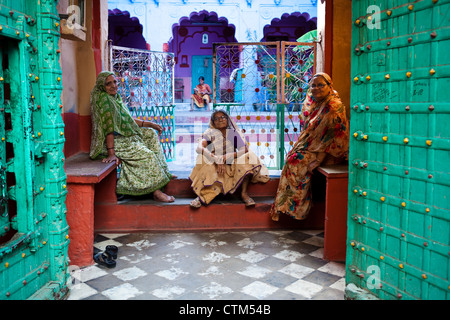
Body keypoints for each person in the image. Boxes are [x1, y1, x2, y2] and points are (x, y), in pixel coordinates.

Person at [270, 72, 349, 221]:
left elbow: (333, 138)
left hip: (330, 152)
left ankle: (296, 209)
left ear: (329, 86)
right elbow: (308, 128)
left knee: (295, 163)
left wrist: (318, 160)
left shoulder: (334, 106)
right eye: (313, 85)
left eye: (321, 85)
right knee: (292, 158)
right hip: (313, 147)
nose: (316, 88)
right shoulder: (313, 102)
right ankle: (285, 205)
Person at [89, 71, 176, 202]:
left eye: (115, 82)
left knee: (150, 134)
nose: (113, 86)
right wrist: (111, 153)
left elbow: (128, 119)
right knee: (147, 155)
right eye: (108, 84)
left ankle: (163, 171)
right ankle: (156, 192)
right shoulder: (105, 100)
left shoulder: (115, 98)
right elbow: (109, 129)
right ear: (102, 86)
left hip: (123, 137)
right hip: (111, 142)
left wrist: (150, 124)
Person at [189, 109, 269, 208]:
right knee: (205, 163)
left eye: (223, 117)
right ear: (213, 122)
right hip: (214, 162)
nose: (220, 120)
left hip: (231, 161)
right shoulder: (210, 133)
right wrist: (216, 159)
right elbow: (199, 148)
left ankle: (244, 194)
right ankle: (201, 197)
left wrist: (227, 156)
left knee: (248, 157)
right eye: (216, 118)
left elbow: (244, 149)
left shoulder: (232, 133)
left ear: (227, 119)